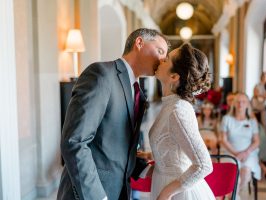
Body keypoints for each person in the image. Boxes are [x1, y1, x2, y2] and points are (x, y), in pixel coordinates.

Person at [57, 28, 169, 200]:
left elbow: (117, 149)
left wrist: (145, 169)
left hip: (119, 191)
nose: (162, 60)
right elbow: (75, 142)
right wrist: (97, 197)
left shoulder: (138, 92)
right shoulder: (101, 74)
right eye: (160, 51)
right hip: (89, 193)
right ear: (139, 43)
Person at [148, 43, 215, 200]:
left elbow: (204, 165)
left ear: (174, 76)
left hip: (179, 193)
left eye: (167, 59)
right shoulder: (170, 104)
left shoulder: (178, 111)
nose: (161, 59)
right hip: (164, 182)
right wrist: (155, 154)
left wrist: (166, 193)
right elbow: (175, 145)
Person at [220, 92, 261, 199]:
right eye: (238, 102)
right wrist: (236, 153)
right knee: (234, 173)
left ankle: (234, 195)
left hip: (249, 154)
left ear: (247, 104)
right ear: (233, 103)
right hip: (230, 152)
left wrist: (246, 153)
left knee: (246, 171)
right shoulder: (226, 119)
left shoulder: (252, 121)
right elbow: (223, 140)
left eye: (243, 102)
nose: (240, 104)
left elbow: (256, 141)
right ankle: (234, 196)